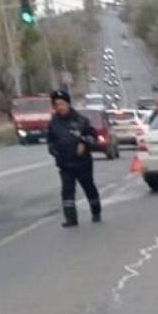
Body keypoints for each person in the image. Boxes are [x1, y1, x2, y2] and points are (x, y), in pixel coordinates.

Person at [46, 90, 101, 227]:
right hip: (65, 164)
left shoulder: (81, 120)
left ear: (68, 104)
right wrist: (54, 150)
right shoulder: (53, 123)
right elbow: (50, 141)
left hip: (82, 162)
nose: (60, 107)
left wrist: (84, 144)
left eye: (62, 104)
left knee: (89, 187)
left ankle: (96, 211)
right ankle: (71, 218)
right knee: (67, 191)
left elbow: (93, 138)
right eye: (57, 104)